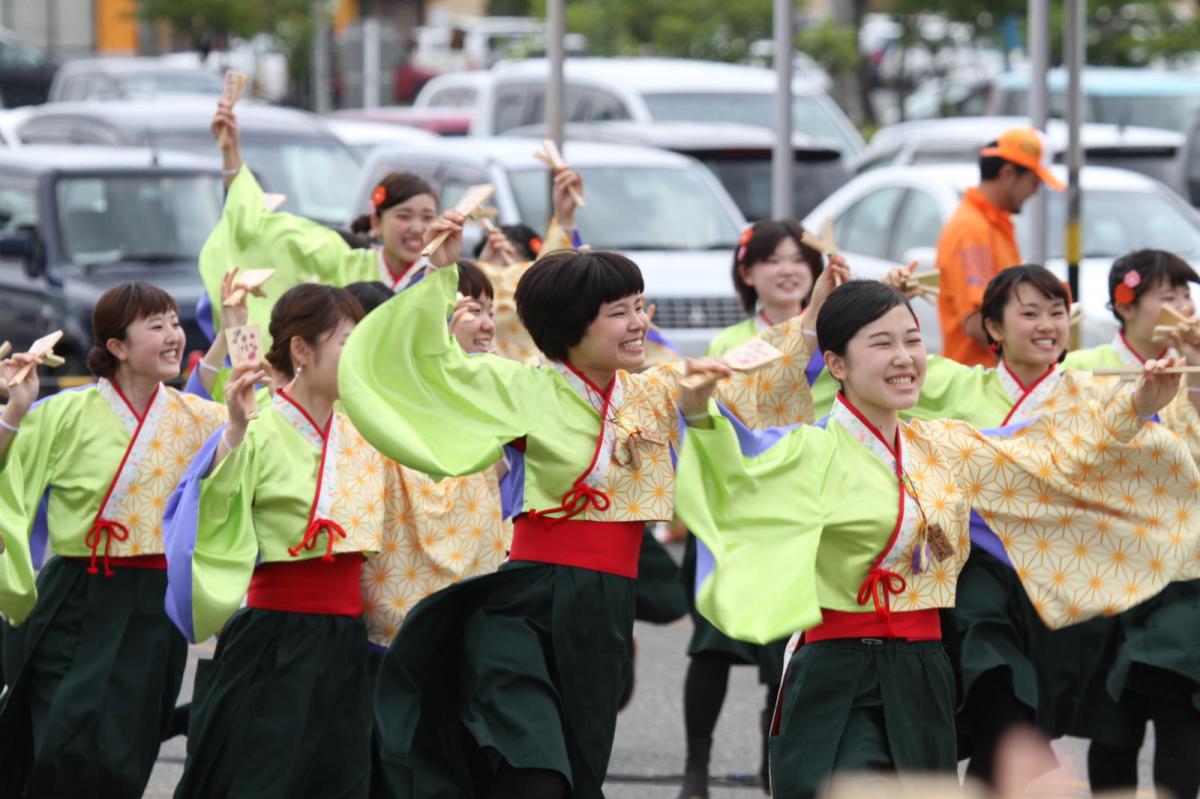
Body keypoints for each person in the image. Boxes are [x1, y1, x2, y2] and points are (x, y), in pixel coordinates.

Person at [338, 207, 848, 798]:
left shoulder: (659, 389)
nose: (638, 323)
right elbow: (434, 369)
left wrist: (813, 318)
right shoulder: (524, 385)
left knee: (575, 775)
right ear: (573, 325)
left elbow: (747, 374)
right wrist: (438, 275)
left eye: (640, 306)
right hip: (524, 602)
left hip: (604, 608)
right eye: (619, 312)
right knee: (534, 771)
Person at [674, 278, 1200, 799]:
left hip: (923, 670)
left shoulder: (945, 445)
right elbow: (738, 479)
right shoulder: (808, 451)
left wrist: (1136, 406)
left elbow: (1053, 458)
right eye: (882, 343)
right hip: (837, 667)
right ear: (837, 364)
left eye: (912, 340)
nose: (905, 357)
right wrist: (698, 412)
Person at [0, 283, 226, 798]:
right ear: (117, 346)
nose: (173, 335)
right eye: (157, 325)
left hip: (154, 607)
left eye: (175, 322)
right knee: (58, 736)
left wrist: (234, 330)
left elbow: (252, 451)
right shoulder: (64, 412)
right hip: (76, 595)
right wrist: (15, 409)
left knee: (125, 748)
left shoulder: (198, 418)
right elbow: (7, 471)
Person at [164, 284, 379, 799]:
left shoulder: (366, 434)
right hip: (275, 635)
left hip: (349, 639)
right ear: (301, 350)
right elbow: (211, 513)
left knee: (339, 783)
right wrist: (234, 434)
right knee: (259, 779)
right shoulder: (256, 429)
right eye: (347, 342)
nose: (359, 356)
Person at [678, 218, 828, 798]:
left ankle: (775, 768)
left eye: (799, 259)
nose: (789, 269)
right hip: (734, 499)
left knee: (787, 646)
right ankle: (696, 766)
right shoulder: (730, 342)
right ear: (746, 272)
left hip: (798, 504)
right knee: (712, 643)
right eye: (773, 259)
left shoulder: (834, 337)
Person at [1061, 249, 1200, 799]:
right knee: (1112, 722)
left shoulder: (1195, 365)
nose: (1184, 307)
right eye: (1169, 296)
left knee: (1182, 704)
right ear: (1126, 306)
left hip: (1184, 572)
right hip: (1110, 567)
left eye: (1187, 295)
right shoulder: (1086, 366)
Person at [937, 128, 1064, 367]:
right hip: (978, 377)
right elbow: (976, 321)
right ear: (1008, 173)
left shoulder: (992, 224)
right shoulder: (972, 229)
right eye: (1034, 182)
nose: (1035, 191)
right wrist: (1030, 362)